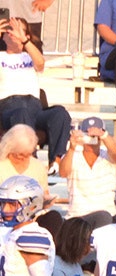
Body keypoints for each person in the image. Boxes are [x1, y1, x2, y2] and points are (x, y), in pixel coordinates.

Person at [0, 15, 68, 165]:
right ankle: (31, 160)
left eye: (19, 29)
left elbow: (40, 64)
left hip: (35, 107)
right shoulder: (1, 56)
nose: (13, 32)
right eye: (9, 29)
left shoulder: (29, 55)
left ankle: (56, 162)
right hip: (9, 108)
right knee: (22, 112)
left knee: (60, 114)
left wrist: (24, 40)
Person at [60, 116, 116, 222]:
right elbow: (63, 172)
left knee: (103, 218)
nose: (92, 138)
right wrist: (71, 148)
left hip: (107, 215)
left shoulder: (108, 157)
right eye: (87, 135)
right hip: (77, 215)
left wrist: (103, 134)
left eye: (95, 136)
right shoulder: (72, 155)